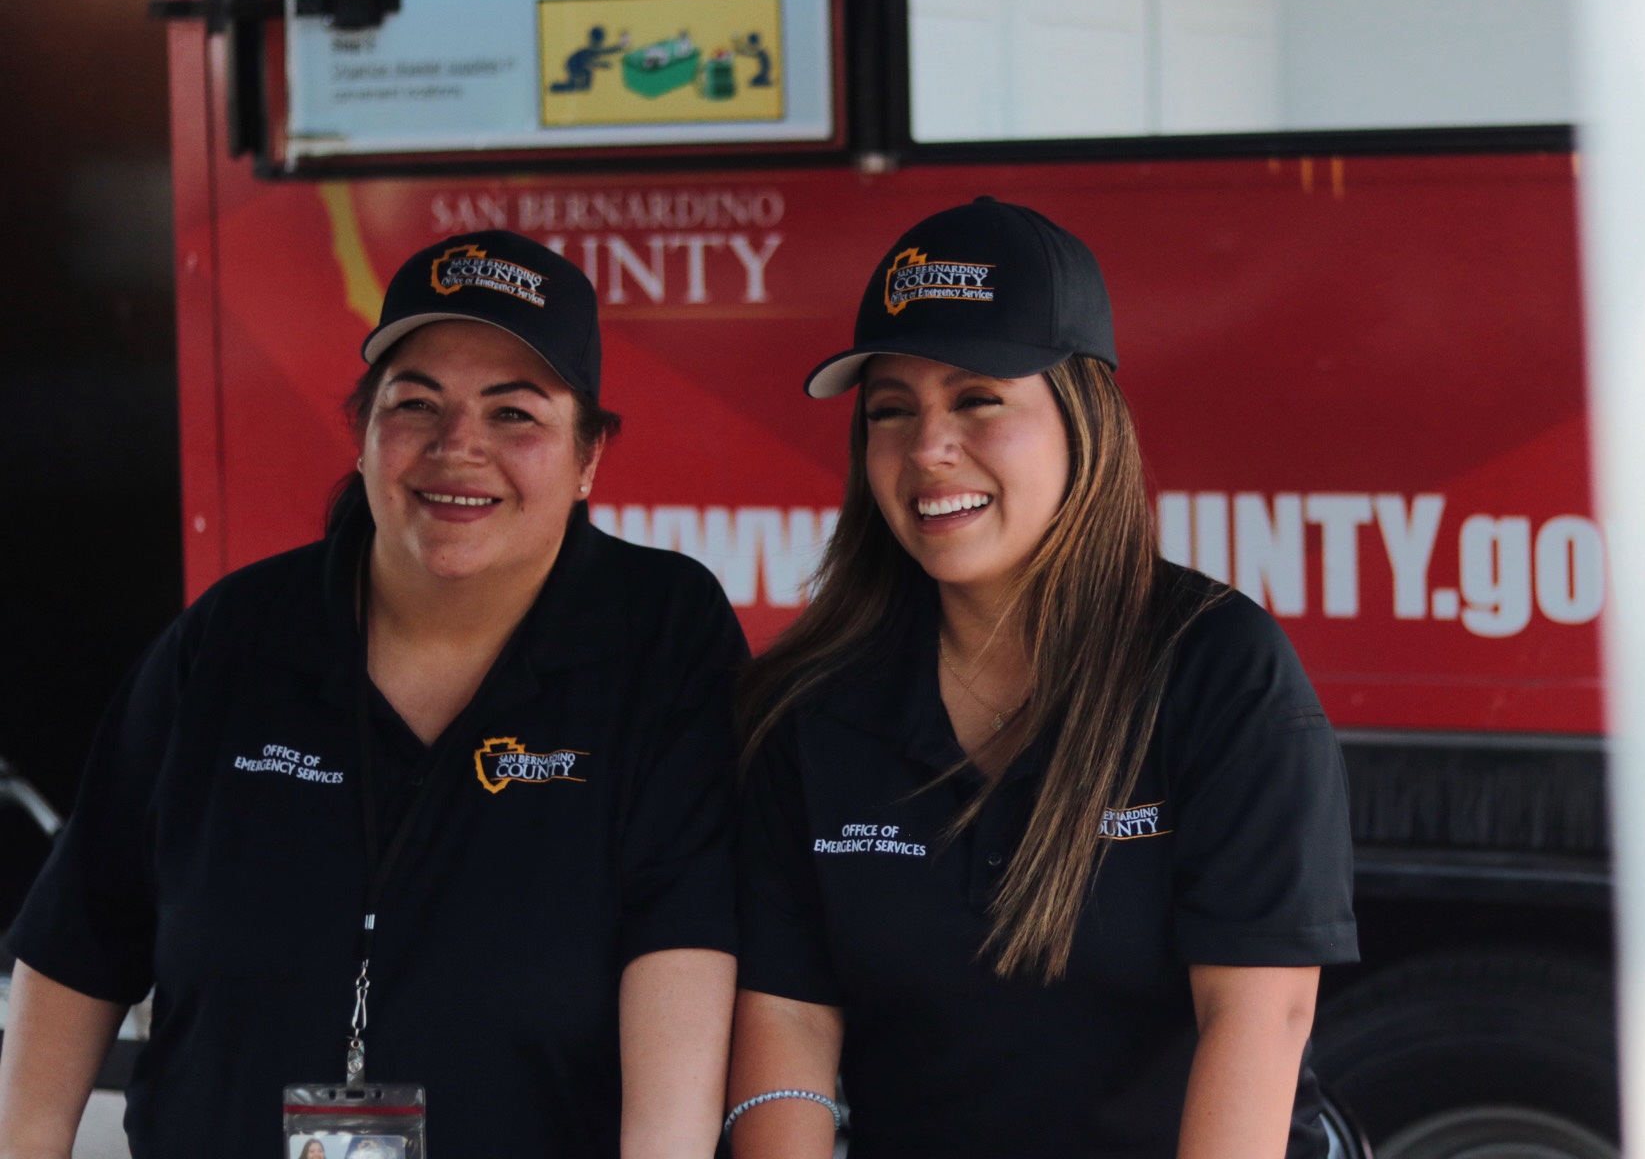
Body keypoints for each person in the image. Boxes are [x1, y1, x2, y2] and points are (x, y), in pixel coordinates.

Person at [0, 231, 742, 1158]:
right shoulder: (237, 638)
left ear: (589, 457)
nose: (457, 446)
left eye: (515, 414)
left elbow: (684, 938)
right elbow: (82, 931)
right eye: (415, 403)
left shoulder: (660, 633)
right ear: (362, 434)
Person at [726, 197, 1359, 1158]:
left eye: (977, 398)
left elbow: (1257, 1017)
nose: (928, 448)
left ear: (1083, 420)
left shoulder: (1217, 667)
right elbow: (789, 1025)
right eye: (892, 410)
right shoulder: (817, 703)